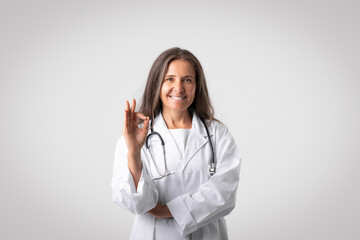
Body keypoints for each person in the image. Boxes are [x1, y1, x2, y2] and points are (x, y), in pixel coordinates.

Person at [111, 47, 241, 240]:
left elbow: (225, 194)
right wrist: (134, 152)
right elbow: (134, 202)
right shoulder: (134, 136)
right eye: (169, 79)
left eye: (187, 80)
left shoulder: (217, 135)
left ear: (197, 86)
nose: (178, 88)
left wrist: (168, 210)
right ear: (157, 84)